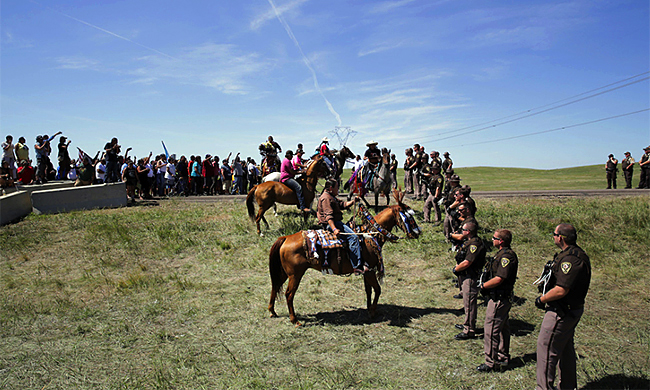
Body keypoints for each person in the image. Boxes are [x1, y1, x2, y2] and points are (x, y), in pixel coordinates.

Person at [535, 223, 591, 390]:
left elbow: (561, 290)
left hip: (561, 312)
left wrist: (542, 299)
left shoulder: (570, 259)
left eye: (554, 234)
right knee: (566, 350)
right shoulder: (575, 254)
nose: (553, 237)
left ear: (560, 237)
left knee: (546, 352)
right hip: (570, 311)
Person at [477, 229, 518, 372]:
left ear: (501, 241)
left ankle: (491, 362)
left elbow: (500, 278)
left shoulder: (506, 257)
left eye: (494, 238)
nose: (492, 239)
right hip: (501, 297)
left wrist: (483, 286)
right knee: (503, 329)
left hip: (499, 298)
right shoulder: (501, 254)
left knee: (491, 329)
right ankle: (502, 356)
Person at [317, 179, 365, 274]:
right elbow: (328, 216)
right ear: (331, 188)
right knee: (353, 237)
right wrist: (334, 229)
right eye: (337, 187)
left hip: (335, 222)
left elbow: (342, 204)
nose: (338, 190)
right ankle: (356, 266)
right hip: (332, 224)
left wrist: (353, 201)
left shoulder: (331, 196)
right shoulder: (326, 198)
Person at [452, 221, 486, 340]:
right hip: (466, 275)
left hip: (471, 276)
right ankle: (468, 323)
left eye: (463, 230)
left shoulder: (474, 245)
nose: (462, 231)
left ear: (469, 232)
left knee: (470, 304)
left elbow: (468, 262)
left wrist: (456, 269)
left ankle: (469, 330)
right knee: (467, 303)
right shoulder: (470, 242)